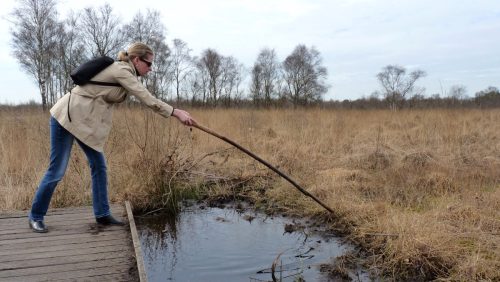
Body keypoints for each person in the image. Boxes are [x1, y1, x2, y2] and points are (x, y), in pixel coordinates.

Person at [28, 42, 195, 233]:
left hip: (84, 124)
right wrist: (176, 112)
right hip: (66, 118)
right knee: (56, 170)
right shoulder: (121, 71)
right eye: (148, 64)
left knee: (99, 165)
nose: (150, 69)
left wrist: (176, 112)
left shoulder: (125, 72)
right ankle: (36, 216)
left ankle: (102, 215)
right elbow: (147, 98)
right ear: (136, 59)